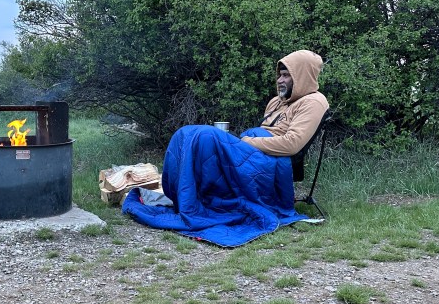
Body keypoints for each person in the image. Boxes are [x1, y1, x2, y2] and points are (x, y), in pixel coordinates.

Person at [122, 50, 329, 247]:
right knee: (186, 134)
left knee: (205, 136)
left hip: (271, 161)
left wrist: (247, 142)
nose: (280, 80)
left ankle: (195, 204)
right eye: (280, 75)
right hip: (254, 151)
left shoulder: (314, 102)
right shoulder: (277, 102)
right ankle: (187, 199)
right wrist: (245, 142)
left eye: (286, 75)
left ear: (301, 76)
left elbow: (292, 144)